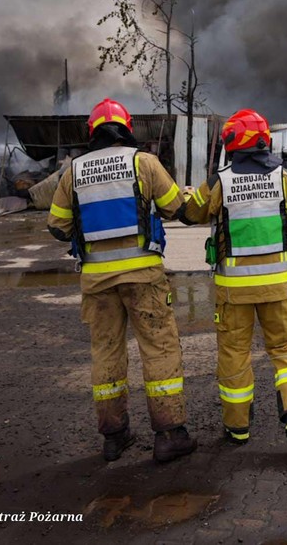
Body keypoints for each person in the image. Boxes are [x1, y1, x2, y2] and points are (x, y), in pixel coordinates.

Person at [47, 98, 197, 463]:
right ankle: (169, 434)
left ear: (92, 131)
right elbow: (175, 207)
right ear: (126, 128)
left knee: (106, 352)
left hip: (97, 282)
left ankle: (114, 437)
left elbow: (57, 226)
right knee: (159, 349)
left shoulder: (74, 171)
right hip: (143, 276)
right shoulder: (143, 162)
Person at [179, 109, 287, 450]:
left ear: (230, 142)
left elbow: (189, 214)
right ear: (264, 140)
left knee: (234, 354)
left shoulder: (218, 182)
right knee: (286, 350)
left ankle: (237, 428)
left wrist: (186, 196)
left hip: (233, 292)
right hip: (279, 287)